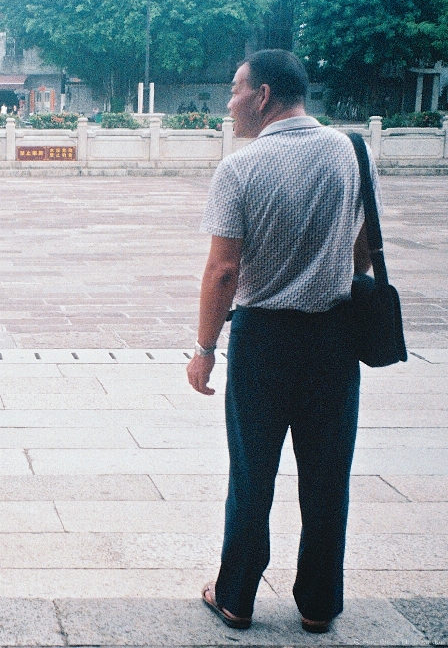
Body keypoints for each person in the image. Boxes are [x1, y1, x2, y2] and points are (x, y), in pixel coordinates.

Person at [186, 49, 375, 634]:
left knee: (252, 474)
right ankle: (319, 605)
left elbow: (223, 271)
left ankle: (237, 596)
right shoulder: (350, 152)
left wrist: (204, 347)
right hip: (333, 340)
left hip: (263, 341)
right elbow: (365, 244)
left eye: (235, 89)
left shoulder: (239, 168)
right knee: (326, 477)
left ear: (263, 95)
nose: (230, 101)